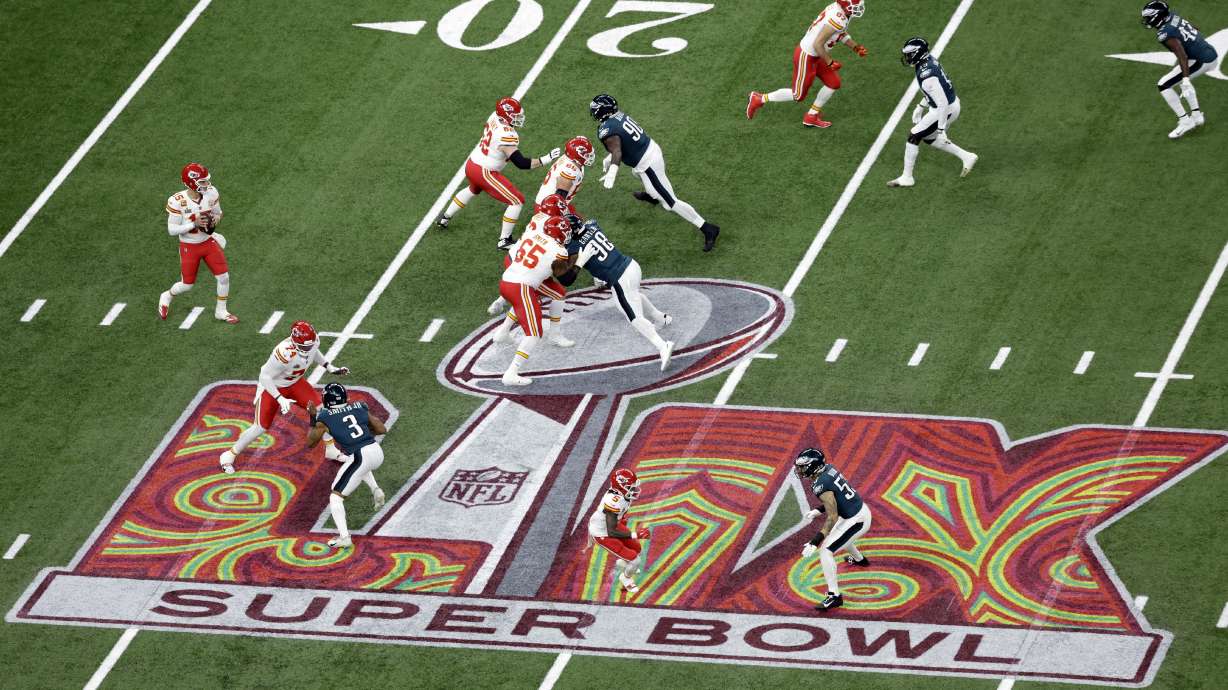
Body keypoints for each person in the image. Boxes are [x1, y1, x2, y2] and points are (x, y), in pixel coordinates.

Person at [590, 93, 720, 252]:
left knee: (671, 203)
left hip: (648, 164)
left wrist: (612, 172)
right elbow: (626, 142)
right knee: (638, 176)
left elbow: (618, 152)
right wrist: (609, 158)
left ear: (604, 111)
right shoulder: (618, 117)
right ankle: (652, 196)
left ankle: (708, 228)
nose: (593, 112)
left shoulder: (607, 129)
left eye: (596, 109)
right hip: (650, 150)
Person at [218, 320, 349, 473]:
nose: (309, 347)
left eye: (310, 344)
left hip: (294, 383)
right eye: (305, 346)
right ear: (295, 342)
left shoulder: (311, 341)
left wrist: (329, 367)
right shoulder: (284, 352)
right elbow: (264, 377)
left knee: (323, 411)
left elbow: (313, 352)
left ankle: (331, 449)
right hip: (273, 386)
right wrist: (279, 398)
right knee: (260, 427)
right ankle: (229, 454)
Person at [436, 97, 561, 249]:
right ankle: (504, 240)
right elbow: (521, 163)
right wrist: (546, 158)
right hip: (485, 171)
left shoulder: (494, 117)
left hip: (472, 164)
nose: (518, 118)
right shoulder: (507, 135)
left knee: (473, 188)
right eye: (515, 116)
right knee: (517, 201)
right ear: (505, 116)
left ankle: (445, 216)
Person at [746, 0, 868, 128]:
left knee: (833, 83)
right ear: (845, 4)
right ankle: (759, 98)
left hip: (816, 54)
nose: (858, 8)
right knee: (798, 95)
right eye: (854, 5)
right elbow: (818, 44)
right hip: (808, 55)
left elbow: (839, 33)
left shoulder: (840, 12)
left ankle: (811, 116)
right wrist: (830, 62)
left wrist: (855, 47)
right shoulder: (838, 18)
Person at [570, 219, 674, 370]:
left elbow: (567, 269)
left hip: (619, 278)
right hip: (631, 265)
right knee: (632, 297)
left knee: (634, 317)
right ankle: (660, 317)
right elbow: (591, 223)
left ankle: (663, 346)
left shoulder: (573, 246)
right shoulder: (592, 225)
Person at [887, 37, 978, 188]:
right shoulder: (927, 61)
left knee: (914, 136)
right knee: (929, 138)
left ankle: (907, 178)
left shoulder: (926, 74)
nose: (907, 57)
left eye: (910, 54)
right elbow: (936, 92)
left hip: (945, 109)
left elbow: (942, 103)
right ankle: (967, 156)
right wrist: (921, 106)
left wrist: (942, 129)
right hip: (949, 104)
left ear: (918, 53)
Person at [489, 194, 576, 347]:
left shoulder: (539, 217)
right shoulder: (549, 228)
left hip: (517, 258)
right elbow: (552, 251)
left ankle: (502, 331)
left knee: (528, 296)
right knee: (557, 293)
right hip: (525, 265)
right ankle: (555, 335)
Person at [497, 216, 575, 386]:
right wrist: (579, 261)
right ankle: (511, 373)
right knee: (534, 333)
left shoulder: (533, 234)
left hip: (507, 280)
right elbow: (566, 278)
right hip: (521, 287)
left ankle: (502, 333)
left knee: (555, 294)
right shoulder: (559, 251)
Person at [307, 383, 387, 549]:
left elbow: (310, 442)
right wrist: (363, 433)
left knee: (335, 497)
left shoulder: (324, 417)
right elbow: (381, 429)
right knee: (357, 466)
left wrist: (313, 417)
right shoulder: (359, 407)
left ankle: (344, 537)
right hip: (376, 451)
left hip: (360, 456)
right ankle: (376, 489)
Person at [158, 163, 238, 324]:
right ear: (191, 182)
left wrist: (216, 219)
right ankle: (167, 295)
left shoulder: (211, 193)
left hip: (208, 242)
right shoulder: (177, 201)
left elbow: (218, 213)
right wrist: (193, 224)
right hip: (189, 246)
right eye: (202, 182)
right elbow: (172, 230)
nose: (206, 184)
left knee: (224, 277)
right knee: (187, 284)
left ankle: (221, 311)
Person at [795, 447, 872, 611]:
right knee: (840, 536)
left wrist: (815, 541)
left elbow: (832, 516)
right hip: (856, 512)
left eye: (803, 466)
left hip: (856, 519)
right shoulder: (828, 469)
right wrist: (819, 510)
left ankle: (834, 596)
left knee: (826, 550)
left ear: (813, 466)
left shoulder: (821, 484)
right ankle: (859, 560)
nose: (800, 470)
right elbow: (838, 496)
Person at [1140, 1, 1219, 139]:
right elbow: (1195, 28)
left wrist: (1186, 79)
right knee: (1182, 80)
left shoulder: (1165, 33)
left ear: (1157, 16)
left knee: (1164, 84)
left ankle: (1185, 121)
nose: (1146, 20)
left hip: (1201, 60)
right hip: (1207, 52)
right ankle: (1196, 115)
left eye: (1148, 17)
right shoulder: (1173, 16)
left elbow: (1182, 55)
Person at [587, 468, 651, 594]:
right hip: (602, 533)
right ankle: (626, 578)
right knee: (635, 560)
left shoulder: (622, 495)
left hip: (612, 525)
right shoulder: (613, 501)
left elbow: (617, 518)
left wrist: (623, 522)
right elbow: (611, 532)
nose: (634, 489)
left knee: (637, 549)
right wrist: (635, 534)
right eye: (630, 487)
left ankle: (625, 563)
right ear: (621, 486)